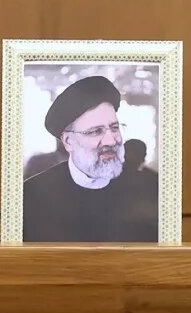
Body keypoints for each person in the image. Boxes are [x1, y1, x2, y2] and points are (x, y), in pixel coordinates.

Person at [21, 74, 158, 242]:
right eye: (95, 131)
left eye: (114, 128)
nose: (111, 140)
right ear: (68, 141)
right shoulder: (32, 196)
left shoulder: (151, 189)